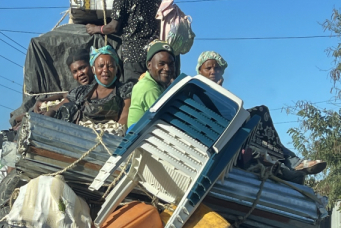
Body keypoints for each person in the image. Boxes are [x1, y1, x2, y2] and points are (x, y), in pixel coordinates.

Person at [195, 51, 327, 180]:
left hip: (235, 133)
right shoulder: (196, 90)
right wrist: (219, 92)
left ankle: (291, 166)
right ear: (200, 71)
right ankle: (293, 163)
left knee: (266, 139)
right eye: (208, 68)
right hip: (221, 138)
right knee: (261, 112)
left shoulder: (222, 92)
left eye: (217, 68)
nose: (213, 71)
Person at [86, 0, 162, 83]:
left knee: (135, 95)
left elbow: (113, 27)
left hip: (134, 57)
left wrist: (96, 29)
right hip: (155, 54)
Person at [50, 45, 132, 127]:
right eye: (101, 66)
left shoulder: (124, 90)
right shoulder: (82, 91)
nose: (105, 70)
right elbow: (55, 109)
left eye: (110, 66)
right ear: (93, 69)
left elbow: (125, 116)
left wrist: (115, 133)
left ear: (116, 68)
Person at [127, 40, 176, 128]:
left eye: (171, 64)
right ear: (149, 65)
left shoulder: (156, 84)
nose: (167, 68)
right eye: (161, 64)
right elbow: (165, 122)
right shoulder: (149, 88)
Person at [32, 49, 94, 114]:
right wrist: (41, 100)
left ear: (91, 65)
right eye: (75, 72)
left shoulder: (97, 86)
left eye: (82, 68)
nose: (80, 74)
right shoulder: (78, 91)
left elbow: (57, 107)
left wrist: (49, 113)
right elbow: (63, 95)